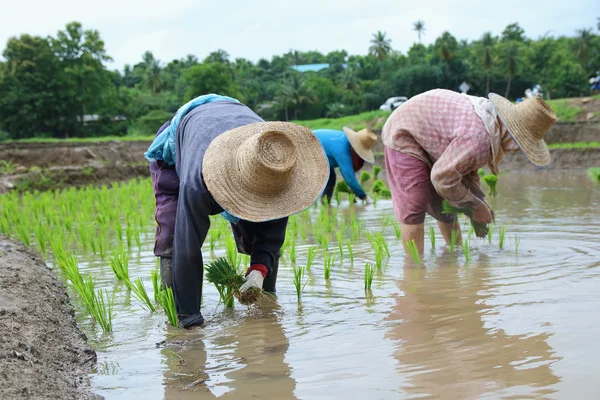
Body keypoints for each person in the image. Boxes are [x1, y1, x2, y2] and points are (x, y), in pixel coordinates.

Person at [146, 94, 329, 328]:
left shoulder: (275, 161)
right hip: (183, 137)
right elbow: (187, 244)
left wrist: (259, 270)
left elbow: (272, 229)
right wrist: (189, 323)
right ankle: (175, 311)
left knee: (261, 225)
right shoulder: (197, 180)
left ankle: (265, 298)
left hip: (239, 130)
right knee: (173, 233)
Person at [382, 89, 557, 254]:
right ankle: (414, 271)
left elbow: (463, 174)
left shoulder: (490, 122)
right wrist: (474, 206)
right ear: (512, 134)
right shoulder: (480, 138)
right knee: (415, 202)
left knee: (445, 204)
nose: (515, 150)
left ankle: (453, 255)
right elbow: (442, 179)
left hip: (429, 134)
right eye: (520, 143)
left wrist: (479, 206)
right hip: (403, 131)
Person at [312, 127, 378, 204]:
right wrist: (365, 197)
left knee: (330, 178)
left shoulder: (343, 139)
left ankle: (326, 206)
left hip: (317, 152)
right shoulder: (341, 149)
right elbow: (349, 179)